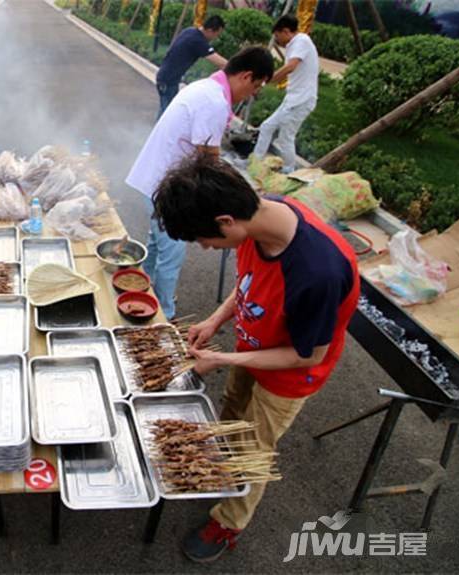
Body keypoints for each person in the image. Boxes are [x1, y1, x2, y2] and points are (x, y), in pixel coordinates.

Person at [151, 153, 360, 563]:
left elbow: (307, 355)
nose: (205, 248)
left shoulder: (318, 272)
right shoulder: (260, 215)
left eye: (202, 240)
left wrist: (226, 360)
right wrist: (215, 320)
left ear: (226, 222)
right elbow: (248, 285)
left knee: (254, 445)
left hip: (288, 376)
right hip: (251, 347)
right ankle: (219, 467)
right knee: (231, 410)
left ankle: (229, 522)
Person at [126, 46, 274, 319]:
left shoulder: (206, 87)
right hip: (164, 184)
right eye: (257, 86)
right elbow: (209, 159)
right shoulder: (214, 101)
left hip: (157, 176)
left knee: (158, 244)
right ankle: (163, 314)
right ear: (246, 76)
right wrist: (242, 190)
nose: (253, 94)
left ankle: (139, 290)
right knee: (171, 253)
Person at [252, 14, 319, 173]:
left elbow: (291, 66)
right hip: (293, 98)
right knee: (266, 127)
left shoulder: (301, 41)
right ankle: (255, 163)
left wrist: (264, 82)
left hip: (302, 100)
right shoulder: (294, 43)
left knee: (285, 138)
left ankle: (289, 170)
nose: (277, 40)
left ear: (286, 31)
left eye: (277, 35)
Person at [155, 15, 228, 118]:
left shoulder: (190, 31)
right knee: (167, 116)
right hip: (168, 80)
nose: (216, 38)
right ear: (210, 30)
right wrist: (238, 68)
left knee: (167, 112)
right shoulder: (198, 41)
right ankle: (159, 133)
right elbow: (221, 63)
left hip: (166, 77)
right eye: (217, 34)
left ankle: (159, 132)